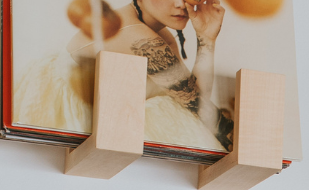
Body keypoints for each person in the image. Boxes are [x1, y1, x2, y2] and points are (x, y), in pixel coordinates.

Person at [15, 0, 227, 153]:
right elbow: (198, 107)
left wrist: (207, 37)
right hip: (69, 120)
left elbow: (196, 97)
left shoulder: (154, 30)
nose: (180, 4)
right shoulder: (141, 38)